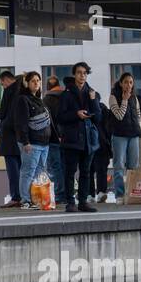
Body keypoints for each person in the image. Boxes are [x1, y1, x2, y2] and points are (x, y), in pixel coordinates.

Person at [55, 61, 102, 212]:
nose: (82, 76)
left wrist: (93, 100)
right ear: (74, 75)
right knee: (70, 172)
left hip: (88, 139)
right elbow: (60, 117)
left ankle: (83, 201)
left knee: (86, 172)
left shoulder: (92, 93)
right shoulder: (66, 94)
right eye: (79, 73)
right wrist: (76, 114)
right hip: (72, 139)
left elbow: (98, 118)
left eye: (85, 73)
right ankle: (70, 202)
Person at [15, 70, 54, 209]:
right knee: (28, 171)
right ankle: (25, 200)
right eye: (33, 81)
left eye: (38, 80)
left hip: (44, 143)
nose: (36, 83)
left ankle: (36, 198)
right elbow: (21, 123)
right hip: (32, 143)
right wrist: (26, 142)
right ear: (27, 83)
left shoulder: (39, 100)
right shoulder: (23, 99)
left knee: (39, 172)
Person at [107, 72, 141, 202]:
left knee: (133, 166)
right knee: (119, 166)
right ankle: (120, 195)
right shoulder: (113, 97)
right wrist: (124, 100)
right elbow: (119, 116)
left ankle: (131, 193)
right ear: (121, 83)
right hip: (119, 135)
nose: (129, 85)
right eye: (126, 82)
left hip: (134, 135)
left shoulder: (135, 98)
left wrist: (139, 126)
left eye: (131, 82)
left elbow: (138, 114)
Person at [0, 70, 23, 208]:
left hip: (9, 135)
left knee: (12, 168)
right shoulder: (23, 89)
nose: (2, 86)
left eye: (2, 83)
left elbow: (3, 111)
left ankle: (16, 197)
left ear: (5, 79)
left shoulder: (10, 90)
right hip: (22, 134)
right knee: (23, 167)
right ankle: (24, 196)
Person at [43, 75, 66, 199]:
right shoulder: (66, 96)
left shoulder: (46, 100)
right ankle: (67, 194)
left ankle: (60, 194)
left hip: (52, 138)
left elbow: (48, 121)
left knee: (55, 167)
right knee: (65, 166)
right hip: (68, 138)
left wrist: (57, 135)